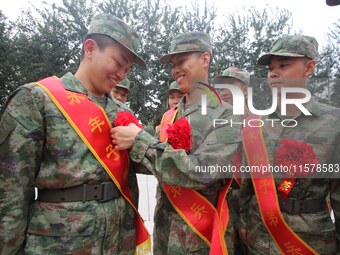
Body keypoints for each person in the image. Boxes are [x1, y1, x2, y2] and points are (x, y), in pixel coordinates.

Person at [0, 13, 150, 255]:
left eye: (127, 69)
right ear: (90, 48)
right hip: (60, 242)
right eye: (118, 62)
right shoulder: (38, 100)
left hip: (118, 240)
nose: (122, 75)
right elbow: (11, 193)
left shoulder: (121, 112)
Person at [111, 31, 242, 254]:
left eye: (181, 61)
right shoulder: (170, 116)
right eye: (173, 64)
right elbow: (156, 164)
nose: (175, 70)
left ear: (205, 59)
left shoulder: (228, 116)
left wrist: (140, 141)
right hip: (164, 232)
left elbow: (203, 171)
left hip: (202, 237)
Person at [238, 35, 340, 254]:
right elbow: (248, 182)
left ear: (309, 67)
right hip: (260, 236)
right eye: (270, 68)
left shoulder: (333, 123)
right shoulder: (258, 123)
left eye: (284, 65)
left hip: (310, 239)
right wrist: (244, 223)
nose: (273, 73)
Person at [213, 67, 250, 255]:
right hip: (223, 198)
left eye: (230, 85)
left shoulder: (260, 123)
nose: (224, 91)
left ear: (244, 89)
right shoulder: (216, 123)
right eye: (220, 87)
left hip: (251, 201)